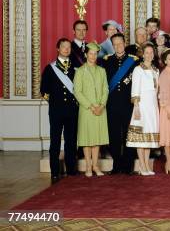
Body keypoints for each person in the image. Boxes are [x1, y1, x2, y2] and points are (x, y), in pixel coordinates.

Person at [41, 38, 79, 183]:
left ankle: (71, 170)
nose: (66, 49)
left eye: (69, 47)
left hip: (72, 111)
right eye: (64, 47)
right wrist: (55, 103)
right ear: (58, 49)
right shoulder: (50, 69)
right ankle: (55, 172)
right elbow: (43, 91)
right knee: (55, 141)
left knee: (71, 141)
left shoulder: (75, 68)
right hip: (56, 111)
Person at [101, 33, 139, 175]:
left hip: (128, 103)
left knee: (129, 135)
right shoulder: (106, 61)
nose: (118, 46)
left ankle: (128, 166)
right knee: (114, 135)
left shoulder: (134, 60)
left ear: (125, 43)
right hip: (111, 104)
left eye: (120, 43)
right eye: (115, 44)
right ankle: (117, 165)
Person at [73, 42, 109, 177]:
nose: (93, 56)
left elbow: (106, 89)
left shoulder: (102, 71)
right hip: (87, 110)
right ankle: (88, 166)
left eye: (95, 54)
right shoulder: (80, 71)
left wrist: (101, 105)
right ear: (86, 54)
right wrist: (91, 106)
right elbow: (77, 92)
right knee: (87, 139)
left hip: (100, 109)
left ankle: (95, 166)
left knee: (97, 139)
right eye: (91, 53)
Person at [127, 43, 160, 176]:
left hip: (152, 106)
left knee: (148, 137)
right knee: (141, 138)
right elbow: (135, 89)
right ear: (142, 54)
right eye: (147, 52)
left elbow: (157, 90)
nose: (149, 55)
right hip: (141, 105)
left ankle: (147, 165)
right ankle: (141, 165)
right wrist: (136, 107)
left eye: (152, 52)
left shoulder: (155, 70)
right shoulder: (138, 69)